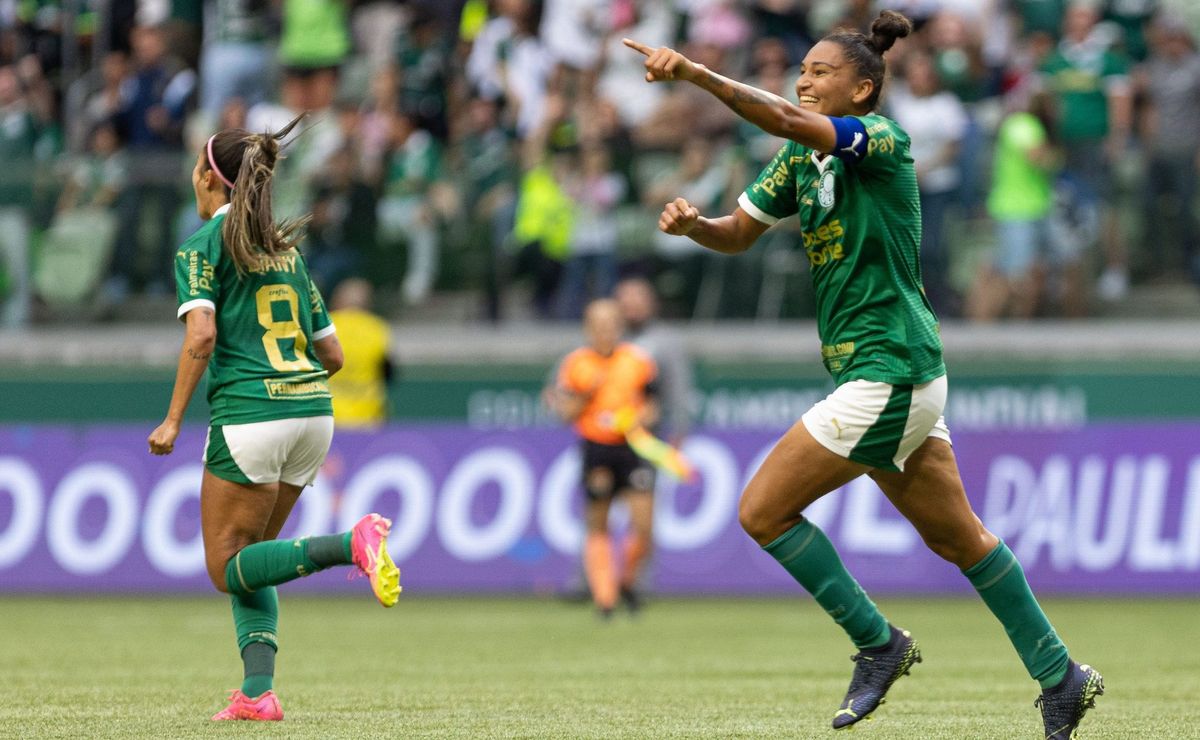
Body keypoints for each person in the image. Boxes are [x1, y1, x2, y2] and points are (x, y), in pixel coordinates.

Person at [624, 11, 1103, 738]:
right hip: (890, 374)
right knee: (962, 541)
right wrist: (697, 228)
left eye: (822, 71)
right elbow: (738, 233)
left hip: (889, 370)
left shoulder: (881, 140)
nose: (806, 79)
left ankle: (880, 644)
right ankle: (1061, 676)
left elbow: (785, 117)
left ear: (864, 88)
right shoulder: (797, 163)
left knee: (761, 512)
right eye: (804, 69)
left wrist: (693, 72)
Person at [146, 114, 401, 722]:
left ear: (209, 178)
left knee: (224, 566)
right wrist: (294, 390)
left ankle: (350, 543)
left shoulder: (202, 246)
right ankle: (257, 693)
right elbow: (332, 353)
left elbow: (201, 336)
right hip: (313, 410)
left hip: (250, 416)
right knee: (253, 556)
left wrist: (173, 418)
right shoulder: (284, 251)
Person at [546, 299, 658, 618]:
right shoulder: (576, 365)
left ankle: (627, 580)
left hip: (632, 446)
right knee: (598, 522)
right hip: (596, 447)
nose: (605, 331)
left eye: (611, 324)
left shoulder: (637, 361)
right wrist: (586, 395)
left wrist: (638, 420)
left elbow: (653, 405)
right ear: (588, 328)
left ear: (619, 326)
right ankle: (605, 599)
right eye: (598, 325)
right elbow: (565, 413)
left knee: (643, 525)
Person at [328, 277, 394, 429]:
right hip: (368, 417)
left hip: (329, 415)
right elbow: (388, 373)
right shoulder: (377, 328)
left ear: (337, 300)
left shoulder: (326, 324)